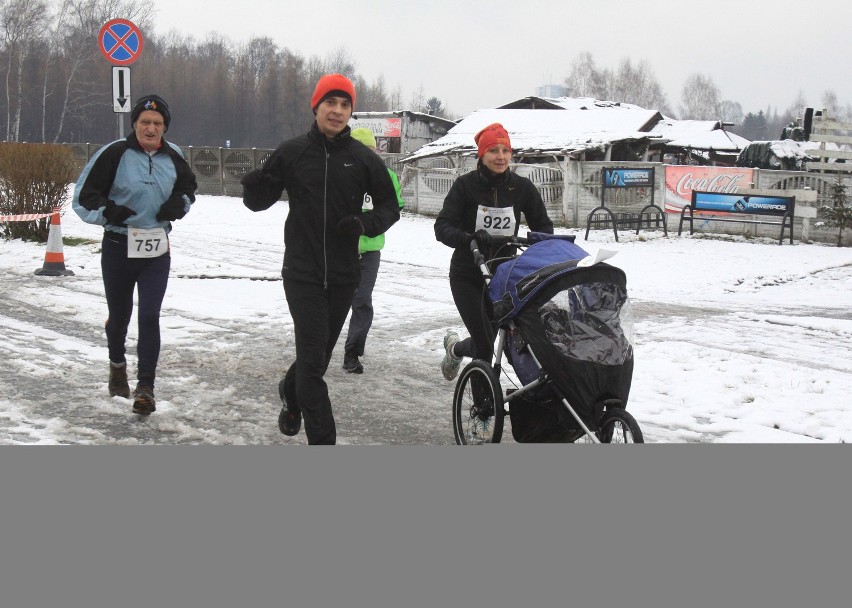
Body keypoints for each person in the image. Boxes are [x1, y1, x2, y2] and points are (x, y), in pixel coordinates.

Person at [241, 74, 400, 445]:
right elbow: (259, 200)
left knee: (316, 358)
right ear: (316, 107)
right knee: (313, 368)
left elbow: (391, 207)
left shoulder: (362, 159)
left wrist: (364, 223)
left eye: (345, 105)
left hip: (345, 274)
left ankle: (289, 392)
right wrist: (253, 186)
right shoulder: (293, 151)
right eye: (331, 103)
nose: (338, 111)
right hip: (302, 273)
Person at [72, 94, 197, 415]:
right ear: (135, 125)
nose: (151, 128)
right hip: (118, 247)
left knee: (149, 315)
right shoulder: (114, 153)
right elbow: (83, 198)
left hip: (156, 247)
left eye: (157, 123)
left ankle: (146, 388)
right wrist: (109, 212)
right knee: (120, 318)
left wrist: (178, 206)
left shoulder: (175, 156)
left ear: (164, 127)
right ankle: (117, 365)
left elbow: (188, 191)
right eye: (145, 123)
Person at [434, 122, 554, 381]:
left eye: (505, 150)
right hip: (468, 275)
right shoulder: (465, 186)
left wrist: (537, 247)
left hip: (504, 278)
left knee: (495, 341)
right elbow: (442, 227)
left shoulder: (521, 188)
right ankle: (483, 411)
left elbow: (543, 226)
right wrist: (469, 238)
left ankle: (455, 349)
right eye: (493, 151)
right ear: (482, 155)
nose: (500, 157)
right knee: (486, 345)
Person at [341, 128, 406, 374]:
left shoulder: (386, 176)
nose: (365, 156)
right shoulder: (340, 173)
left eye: (370, 151)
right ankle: (317, 352)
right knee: (332, 302)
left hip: (369, 252)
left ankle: (352, 353)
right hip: (339, 250)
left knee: (362, 301)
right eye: (360, 150)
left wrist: (373, 223)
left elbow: (395, 207)